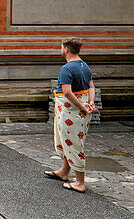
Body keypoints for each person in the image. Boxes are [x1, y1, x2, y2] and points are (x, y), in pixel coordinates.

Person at [45, 37, 97, 194]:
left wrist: (81, 105)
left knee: (73, 144)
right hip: (82, 110)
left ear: (66, 49)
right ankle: (64, 172)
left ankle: (80, 182)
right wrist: (91, 102)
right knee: (71, 140)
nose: (60, 50)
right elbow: (91, 87)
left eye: (61, 47)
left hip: (71, 110)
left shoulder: (67, 68)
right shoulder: (84, 65)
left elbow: (67, 92)